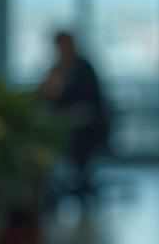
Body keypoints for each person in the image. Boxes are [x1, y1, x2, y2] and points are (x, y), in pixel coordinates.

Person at [38, 31, 110, 199]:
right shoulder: (57, 68)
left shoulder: (83, 68)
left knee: (74, 137)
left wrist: (57, 90)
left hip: (89, 127)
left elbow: (79, 97)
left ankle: (78, 184)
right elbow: (46, 99)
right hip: (67, 123)